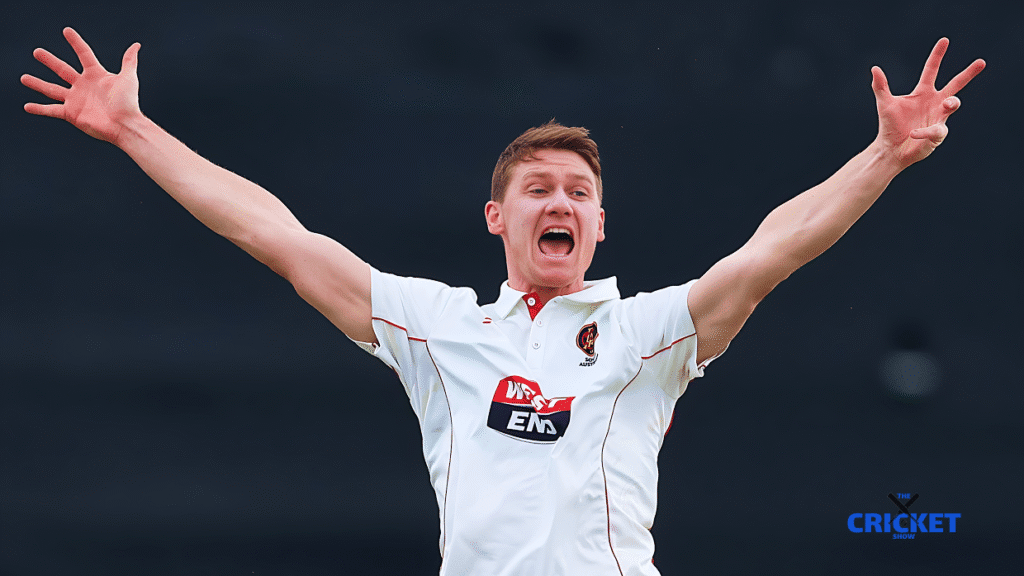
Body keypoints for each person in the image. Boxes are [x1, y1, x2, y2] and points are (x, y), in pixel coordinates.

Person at [21, 27, 984, 576]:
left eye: (578, 192)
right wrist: (137, 132)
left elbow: (771, 249)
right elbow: (277, 235)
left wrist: (885, 155)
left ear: (600, 225)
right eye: (538, 189)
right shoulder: (437, 329)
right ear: (497, 216)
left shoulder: (646, 334)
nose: (559, 200)